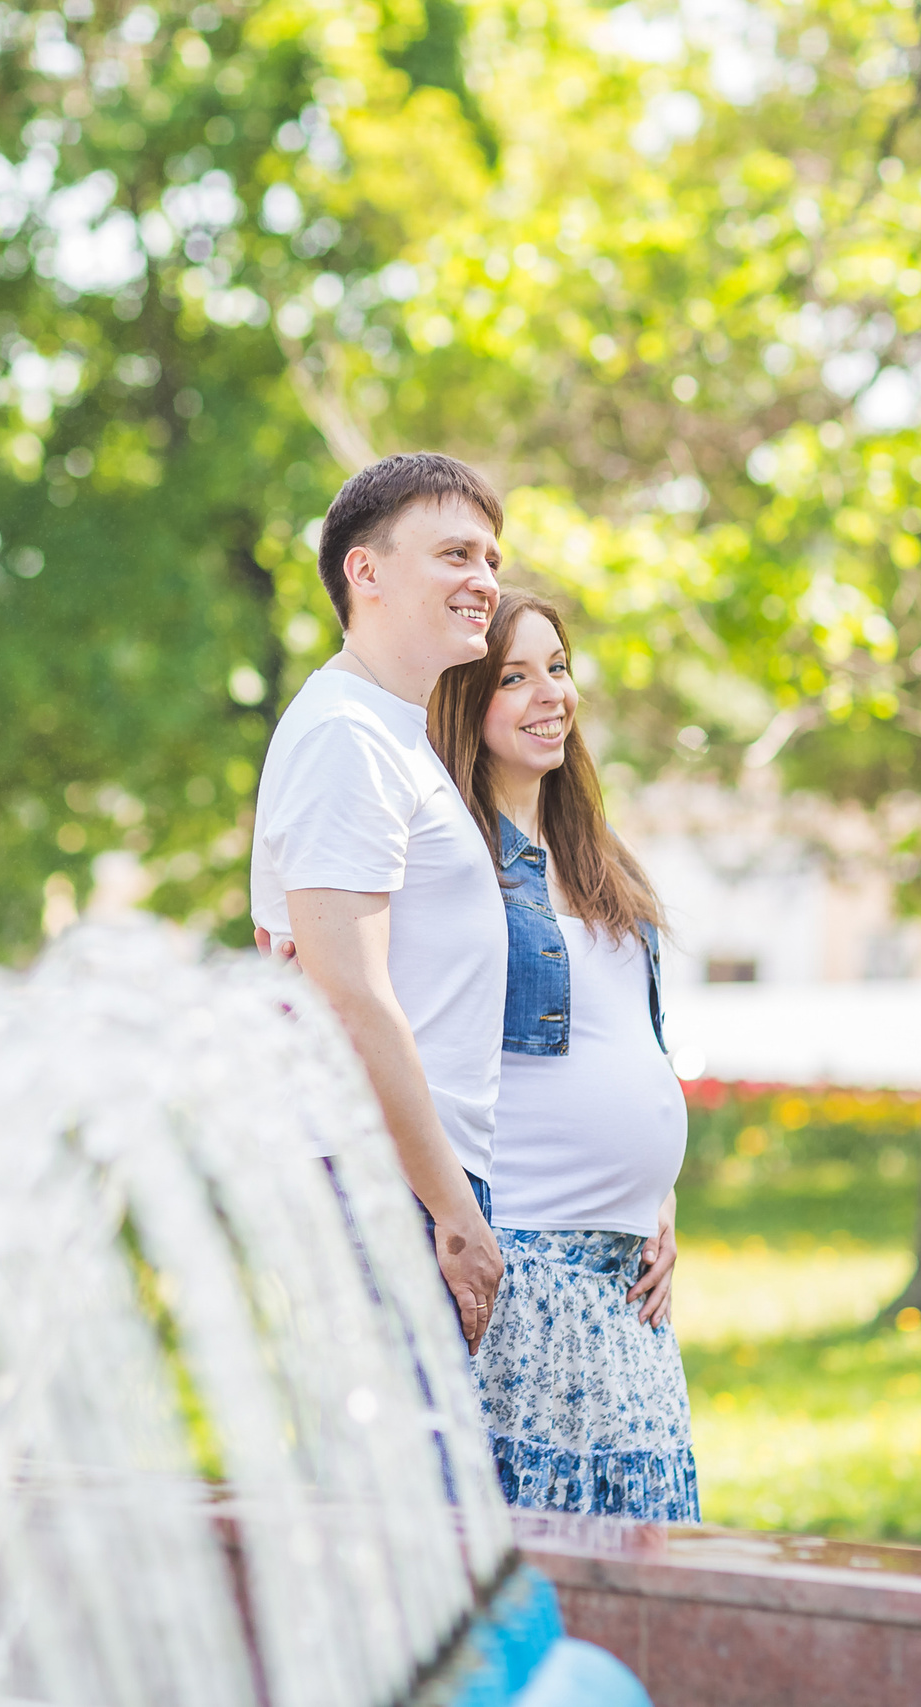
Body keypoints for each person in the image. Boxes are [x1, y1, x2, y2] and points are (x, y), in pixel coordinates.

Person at [425, 588, 699, 1521]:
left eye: (558, 667)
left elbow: (630, 1041)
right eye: (514, 677)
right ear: (466, 701)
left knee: (643, 1542)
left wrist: (656, 1193)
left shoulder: (599, 857)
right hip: (527, 1273)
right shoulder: (454, 860)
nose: (551, 694)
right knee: (541, 1547)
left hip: (624, 1287)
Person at [248, 452, 508, 1349]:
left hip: (414, 1183)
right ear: (365, 570)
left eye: (490, 560)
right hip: (386, 1189)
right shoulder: (345, 735)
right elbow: (351, 993)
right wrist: (454, 1211)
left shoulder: (393, 735)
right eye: (455, 554)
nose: (484, 580)